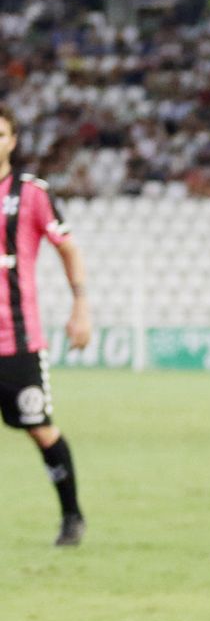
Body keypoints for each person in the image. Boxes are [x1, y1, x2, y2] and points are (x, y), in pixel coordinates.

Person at [0, 107, 91, 546]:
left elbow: (68, 248)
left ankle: (71, 516)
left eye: (0, 134)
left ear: (13, 140)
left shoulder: (31, 193)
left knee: (39, 428)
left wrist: (81, 307)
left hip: (17, 341)